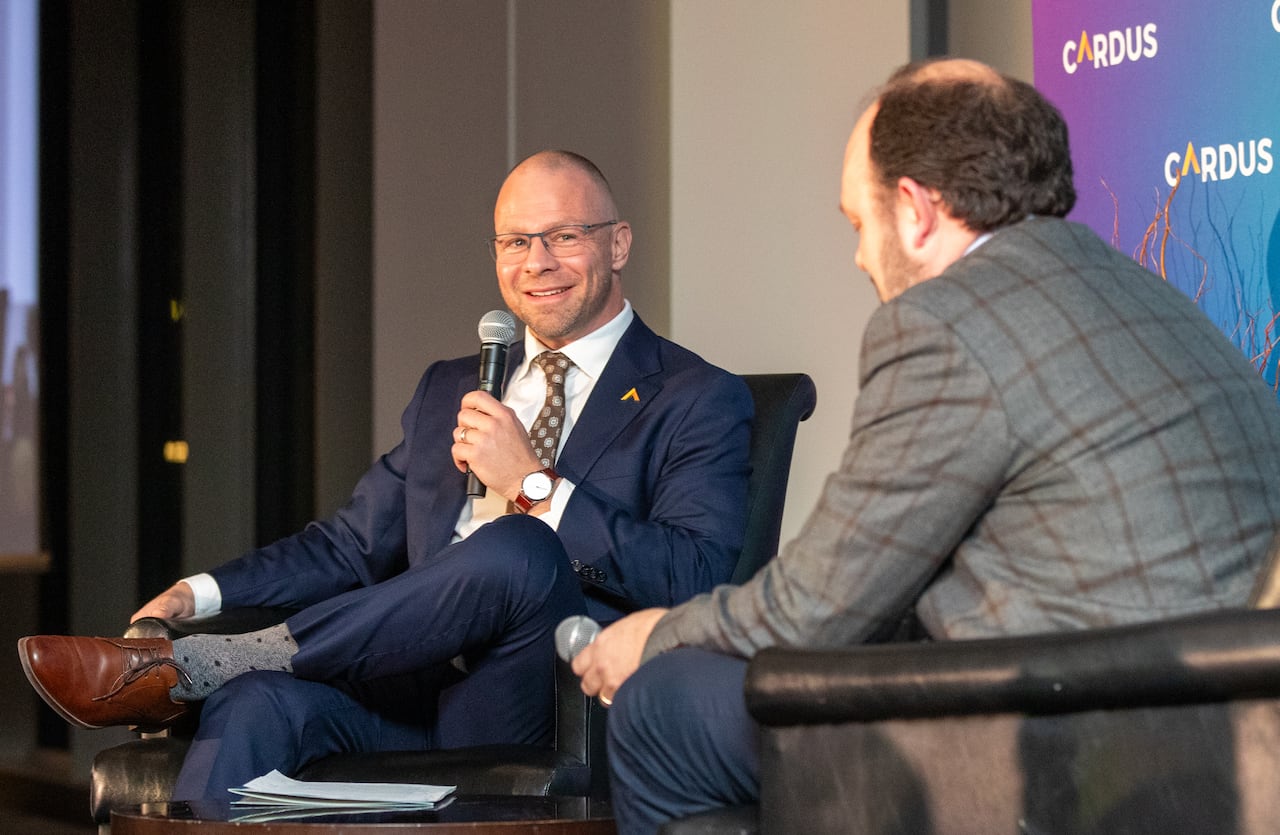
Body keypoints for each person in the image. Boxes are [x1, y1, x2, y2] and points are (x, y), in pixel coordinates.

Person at [571, 58, 1280, 833]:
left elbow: (814, 608)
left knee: (659, 705)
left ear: (913, 210)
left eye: (857, 224)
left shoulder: (943, 321)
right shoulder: (1150, 297)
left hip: (1072, 738)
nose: (859, 257)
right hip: (1221, 742)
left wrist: (654, 633)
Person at [18, 149, 753, 802]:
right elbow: (346, 547)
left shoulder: (694, 396)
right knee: (253, 705)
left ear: (617, 243)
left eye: (564, 236)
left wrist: (534, 487)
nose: (538, 262)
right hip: (397, 682)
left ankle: (199, 664)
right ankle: (216, 662)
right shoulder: (449, 387)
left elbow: (696, 573)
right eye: (516, 241)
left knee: (520, 547)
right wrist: (195, 592)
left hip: (533, 697)